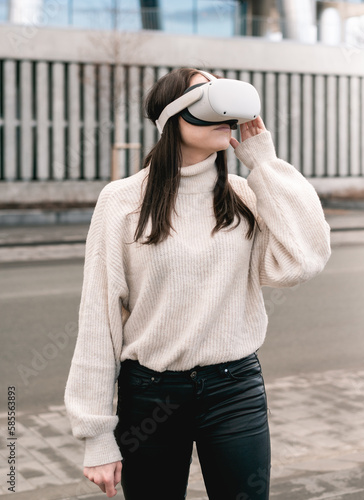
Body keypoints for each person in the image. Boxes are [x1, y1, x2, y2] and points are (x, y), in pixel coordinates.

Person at [64, 67, 331, 500]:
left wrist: (264, 162)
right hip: (150, 394)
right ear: (172, 115)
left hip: (234, 390)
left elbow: (303, 260)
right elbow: (99, 318)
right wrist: (96, 435)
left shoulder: (244, 194)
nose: (222, 110)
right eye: (203, 96)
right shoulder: (122, 202)